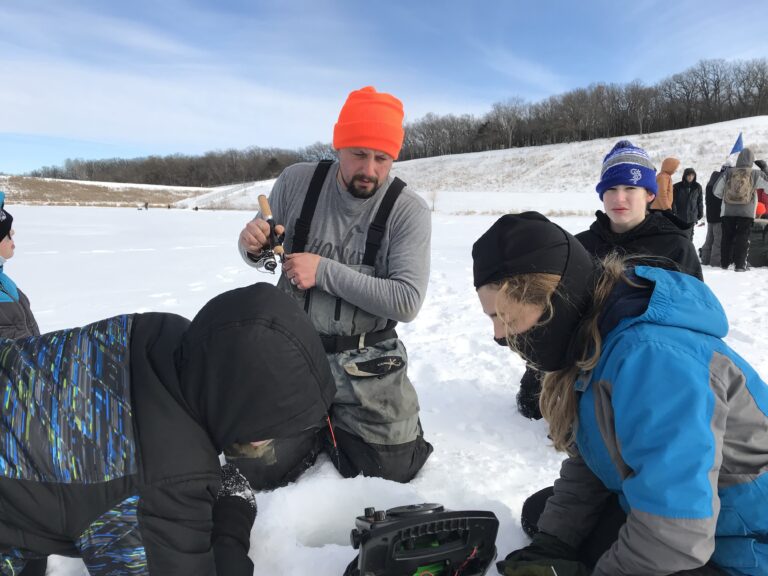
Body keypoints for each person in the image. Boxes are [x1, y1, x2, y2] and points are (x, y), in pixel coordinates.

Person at [473, 212, 767, 576]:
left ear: (557, 301)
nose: (499, 335)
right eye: (492, 318)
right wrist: (554, 542)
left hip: (747, 543)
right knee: (546, 515)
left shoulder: (652, 358)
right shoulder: (594, 335)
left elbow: (676, 533)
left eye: (507, 318)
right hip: (698, 515)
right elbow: (596, 458)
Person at [0, 283, 335, 575]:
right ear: (240, 401)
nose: (270, 439)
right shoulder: (161, 481)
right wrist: (233, 514)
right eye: (271, 425)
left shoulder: (164, 335)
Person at [236, 86, 432, 488]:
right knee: (251, 463)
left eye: (382, 158)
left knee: (394, 472)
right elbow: (261, 246)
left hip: (368, 362)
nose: (370, 169)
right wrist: (250, 245)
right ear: (337, 146)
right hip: (293, 356)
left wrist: (324, 271)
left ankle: (344, 426)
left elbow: (407, 301)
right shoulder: (295, 182)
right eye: (359, 153)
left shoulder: (408, 211)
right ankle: (314, 429)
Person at [515, 141, 701, 421]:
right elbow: (555, 316)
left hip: (647, 368)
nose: (619, 198)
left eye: (630, 189)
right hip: (583, 366)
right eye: (611, 189)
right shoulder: (578, 246)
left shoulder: (675, 248)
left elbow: (695, 320)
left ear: (650, 193)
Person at [714, 147, 768, 271]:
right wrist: (765, 169)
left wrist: (728, 196)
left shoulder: (729, 172)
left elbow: (716, 191)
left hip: (727, 211)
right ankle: (739, 265)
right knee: (743, 237)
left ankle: (725, 264)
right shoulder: (755, 173)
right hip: (746, 211)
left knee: (727, 237)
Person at [700, 167, 726, 267]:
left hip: (710, 217)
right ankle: (715, 262)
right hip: (718, 217)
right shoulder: (720, 186)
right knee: (717, 241)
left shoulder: (709, 186)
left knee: (709, 239)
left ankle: (705, 259)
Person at [672, 167, 704, 240]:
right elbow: (673, 201)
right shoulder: (677, 187)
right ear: (685, 176)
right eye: (688, 175)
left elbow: (700, 201)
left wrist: (700, 213)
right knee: (680, 236)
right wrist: (674, 212)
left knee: (690, 236)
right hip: (680, 216)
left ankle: (688, 250)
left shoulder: (697, 187)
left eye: (692, 175)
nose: (690, 177)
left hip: (692, 216)